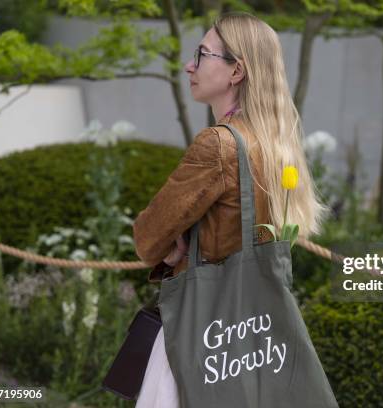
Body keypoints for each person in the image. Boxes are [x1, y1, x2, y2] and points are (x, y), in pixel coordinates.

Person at [132, 11, 330, 408]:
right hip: (257, 338)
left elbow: (147, 238)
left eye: (201, 54)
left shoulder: (218, 145)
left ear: (236, 70)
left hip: (207, 335)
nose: (190, 65)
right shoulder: (275, 143)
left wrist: (174, 249)